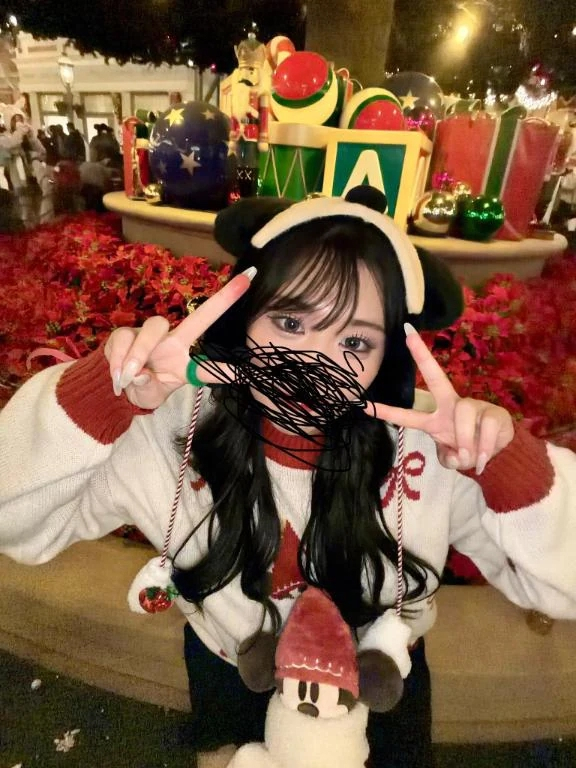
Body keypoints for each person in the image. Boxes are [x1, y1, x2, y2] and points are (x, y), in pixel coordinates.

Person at [0, 187, 575, 768]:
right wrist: (105, 397)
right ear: (245, 317)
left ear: (387, 359)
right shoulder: (169, 426)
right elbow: (14, 523)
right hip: (233, 678)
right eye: (290, 321)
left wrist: (507, 466)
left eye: (355, 341)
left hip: (382, 686)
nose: (312, 362)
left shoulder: (433, 443)